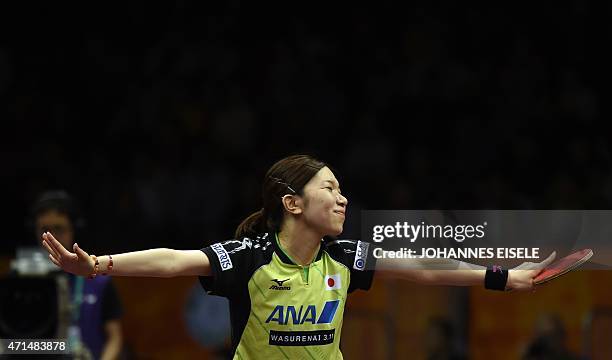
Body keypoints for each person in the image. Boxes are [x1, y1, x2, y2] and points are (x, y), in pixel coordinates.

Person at [41, 155, 555, 359]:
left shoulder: (346, 257)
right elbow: (175, 260)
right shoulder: (250, 257)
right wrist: (98, 264)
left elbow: (421, 265)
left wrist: (501, 277)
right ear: (292, 203)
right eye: (329, 189)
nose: (342, 198)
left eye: (342, 190)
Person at [33, 190, 124, 360]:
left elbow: (115, 337)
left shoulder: (99, 281)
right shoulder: (20, 282)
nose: (52, 237)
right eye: (45, 230)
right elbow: (10, 343)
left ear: (74, 230)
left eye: (59, 228)